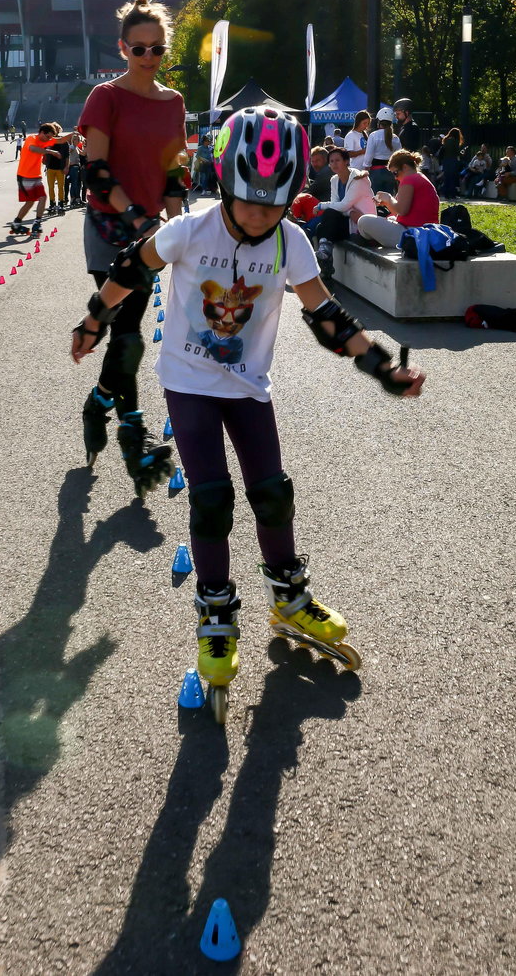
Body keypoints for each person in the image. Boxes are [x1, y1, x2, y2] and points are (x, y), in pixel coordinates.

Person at [71, 105, 424, 705]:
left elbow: (328, 318)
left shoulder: (290, 242)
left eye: (273, 204)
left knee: (272, 490)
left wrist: (380, 366)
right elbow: (131, 267)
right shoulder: (192, 228)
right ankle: (215, 615)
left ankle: (287, 599)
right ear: (225, 184)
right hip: (188, 382)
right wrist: (94, 319)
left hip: (247, 385)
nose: (260, 216)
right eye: (249, 202)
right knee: (211, 499)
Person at [76, 0, 188, 494]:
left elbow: (175, 172)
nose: (148, 57)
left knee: (131, 325)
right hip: (109, 226)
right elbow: (96, 171)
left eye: (157, 49)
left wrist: (178, 227)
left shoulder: (174, 103)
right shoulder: (106, 97)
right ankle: (133, 436)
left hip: (149, 231)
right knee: (127, 329)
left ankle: (99, 400)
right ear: (123, 48)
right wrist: (136, 216)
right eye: (139, 48)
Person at [311, 147, 376, 280]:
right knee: (320, 227)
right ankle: (326, 261)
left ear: (346, 161)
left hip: (361, 225)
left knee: (326, 218)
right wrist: (350, 211)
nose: (334, 164)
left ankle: (325, 258)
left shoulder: (359, 179)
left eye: (338, 160)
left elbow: (343, 205)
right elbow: (338, 205)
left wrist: (322, 205)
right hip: (348, 219)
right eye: (331, 161)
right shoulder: (334, 179)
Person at [357, 149, 440, 247]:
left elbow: (401, 211)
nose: (395, 178)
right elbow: (400, 213)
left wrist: (388, 198)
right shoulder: (420, 177)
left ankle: (372, 240)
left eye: (395, 173)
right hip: (423, 233)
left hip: (413, 235)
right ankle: (374, 240)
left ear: (405, 167)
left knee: (363, 221)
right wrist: (388, 203)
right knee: (390, 218)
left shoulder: (409, 180)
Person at [8, 123, 59, 236]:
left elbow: (58, 141)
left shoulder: (43, 141)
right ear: (41, 133)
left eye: (50, 138)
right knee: (30, 202)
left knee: (42, 197)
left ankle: (36, 222)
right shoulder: (32, 138)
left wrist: (72, 134)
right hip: (24, 175)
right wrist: (50, 152)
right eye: (48, 137)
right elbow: (32, 148)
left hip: (36, 175)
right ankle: (17, 223)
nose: (48, 140)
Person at [289, 147, 332, 225]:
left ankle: (293, 222)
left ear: (326, 159)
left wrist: (293, 196)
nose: (315, 164)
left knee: (301, 198)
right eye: (313, 161)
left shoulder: (326, 172)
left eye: (318, 161)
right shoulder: (326, 171)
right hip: (325, 207)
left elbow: (311, 191)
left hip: (326, 209)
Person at [363, 107, 401, 193]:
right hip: (390, 172)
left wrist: (366, 169)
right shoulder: (395, 138)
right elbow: (399, 156)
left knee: (376, 200)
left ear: (379, 122)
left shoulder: (373, 135)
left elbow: (368, 156)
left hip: (375, 172)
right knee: (388, 201)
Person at [44, 127, 70, 215]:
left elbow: (67, 156)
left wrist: (67, 167)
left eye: (55, 129)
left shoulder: (64, 142)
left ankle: (61, 203)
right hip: (50, 167)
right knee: (51, 187)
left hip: (60, 168)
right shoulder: (49, 141)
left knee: (60, 187)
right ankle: (52, 203)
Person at [438, 127, 463, 199]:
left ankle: (446, 194)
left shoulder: (446, 140)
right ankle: (452, 194)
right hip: (453, 160)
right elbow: (457, 152)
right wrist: (461, 153)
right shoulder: (455, 141)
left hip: (445, 160)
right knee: (452, 177)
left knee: (447, 177)